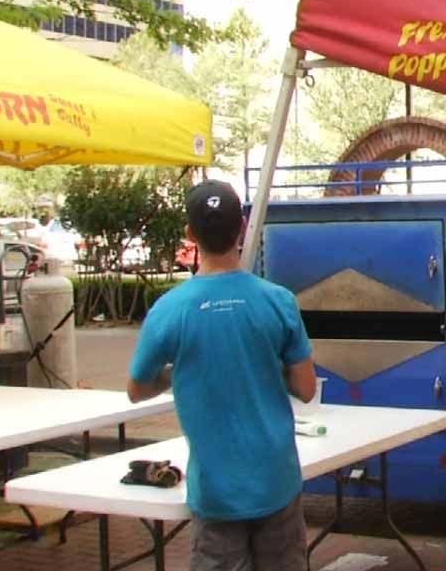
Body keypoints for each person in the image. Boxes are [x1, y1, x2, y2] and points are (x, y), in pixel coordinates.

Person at [127, 180, 316, 570]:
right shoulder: (278, 301)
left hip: (216, 492)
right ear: (243, 226)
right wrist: (262, 361)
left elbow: (136, 389)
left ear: (190, 234)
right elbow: (306, 387)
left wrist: (176, 371)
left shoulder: (169, 309)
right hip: (276, 482)